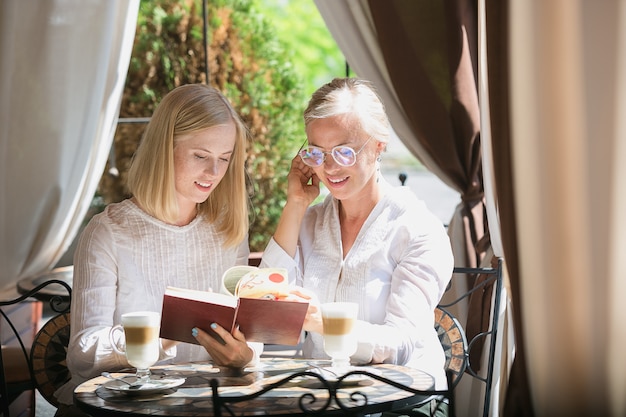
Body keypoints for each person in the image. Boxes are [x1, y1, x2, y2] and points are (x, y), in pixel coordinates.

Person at [54, 84, 260, 416]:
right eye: (200, 156)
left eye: (225, 158)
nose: (214, 173)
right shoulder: (108, 232)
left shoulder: (227, 230)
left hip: (207, 406)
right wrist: (159, 337)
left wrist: (245, 356)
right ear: (165, 148)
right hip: (123, 408)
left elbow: (245, 335)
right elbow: (82, 351)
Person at [261, 77, 454, 416]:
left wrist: (319, 320)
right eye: (317, 153)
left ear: (379, 145)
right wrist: (294, 204)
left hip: (403, 401)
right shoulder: (309, 223)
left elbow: (401, 346)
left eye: (345, 151)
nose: (330, 167)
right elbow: (264, 313)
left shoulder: (417, 229)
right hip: (320, 400)